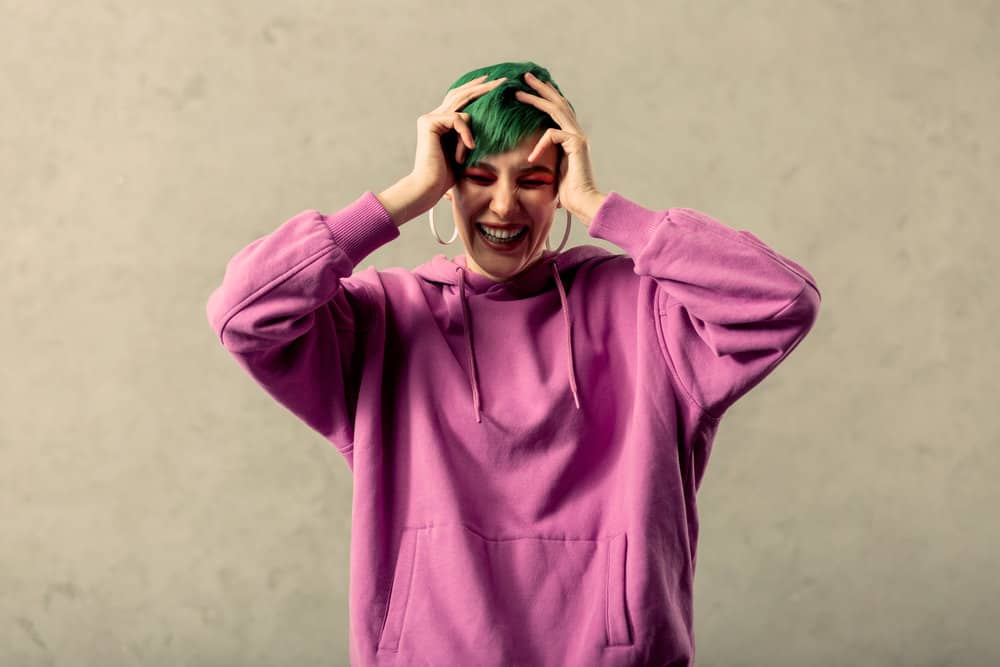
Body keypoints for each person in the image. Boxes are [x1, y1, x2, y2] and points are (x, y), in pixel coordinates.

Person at [205, 61, 821, 667]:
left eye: (532, 180)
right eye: (478, 176)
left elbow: (782, 300)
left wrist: (603, 209)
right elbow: (242, 312)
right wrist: (398, 201)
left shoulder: (649, 313)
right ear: (448, 184)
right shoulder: (382, 321)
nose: (504, 206)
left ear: (559, 188)